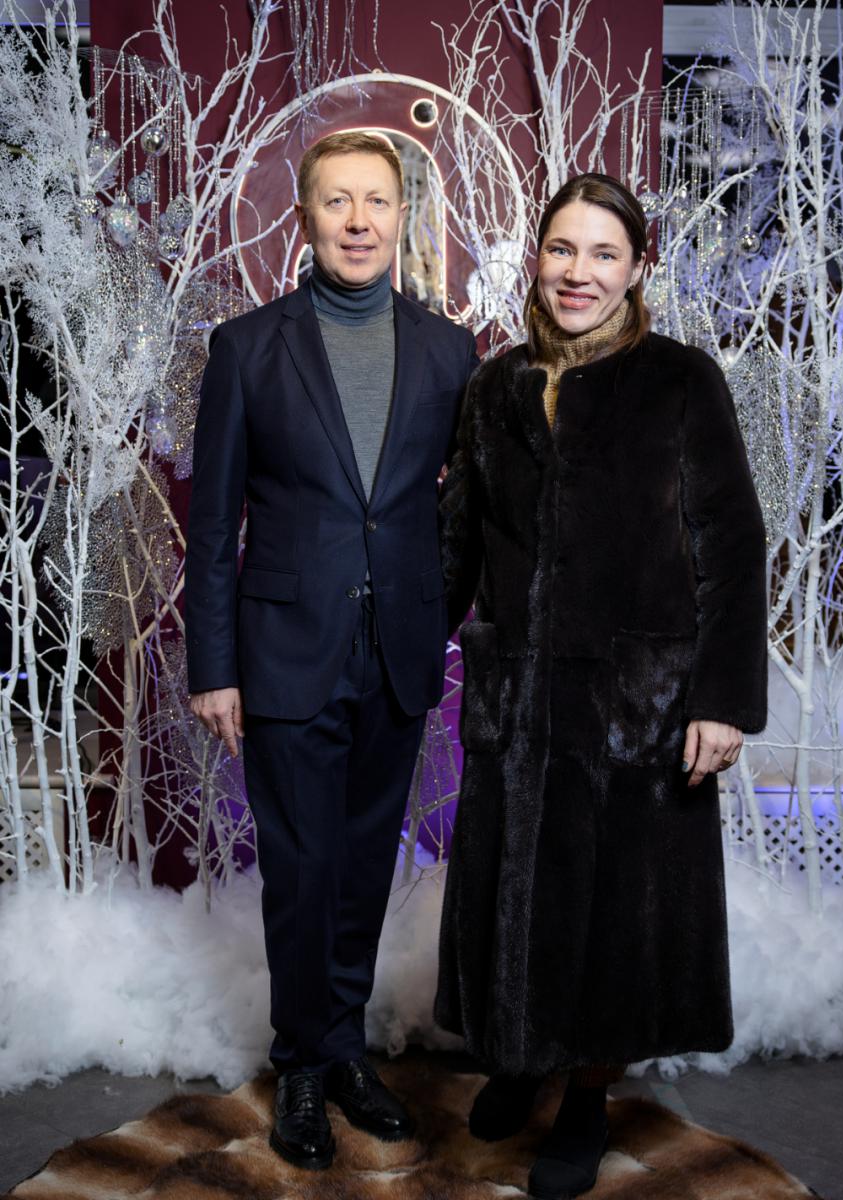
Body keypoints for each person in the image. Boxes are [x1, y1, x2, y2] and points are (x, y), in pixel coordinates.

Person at [434, 174, 768, 1200]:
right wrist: (393, 658)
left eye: (604, 254)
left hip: (636, 707)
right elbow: (456, 546)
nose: (579, 273)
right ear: (537, 258)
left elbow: (732, 545)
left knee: (612, 916)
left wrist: (722, 699)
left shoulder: (680, 380)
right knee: (514, 896)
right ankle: (521, 1056)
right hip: (518, 700)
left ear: (636, 269)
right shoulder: (494, 386)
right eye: (562, 250)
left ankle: (585, 1094)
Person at [186, 132, 478, 1172]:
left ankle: (345, 1050)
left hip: (396, 650)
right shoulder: (247, 347)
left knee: (361, 865)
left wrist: (441, 615)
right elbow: (212, 524)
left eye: (378, 201)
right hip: (284, 651)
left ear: (402, 216)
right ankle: (300, 1066)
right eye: (338, 201)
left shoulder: (449, 351)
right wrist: (215, 667)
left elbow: (464, 513)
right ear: (304, 216)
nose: (359, 221)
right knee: (301, 871)